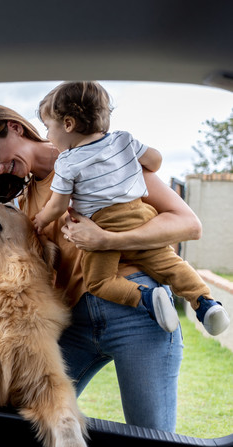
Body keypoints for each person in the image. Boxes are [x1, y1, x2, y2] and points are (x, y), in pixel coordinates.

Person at [0, 102, 200, 432]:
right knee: (21, 422)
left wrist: (106, 240)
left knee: (152, 438)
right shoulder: (25, 199)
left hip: (138, 312)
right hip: (75, 322)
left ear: (15, 127)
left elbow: (188, 224)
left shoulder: (104, 156)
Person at [33, 81, 229, 337]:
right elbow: (155, 161)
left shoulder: (67, 163)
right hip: (141, 216)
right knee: (172, 265)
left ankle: (147, 298)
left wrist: (40, 219)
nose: (48, 136)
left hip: (103, 224)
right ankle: (206, 303)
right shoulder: (122, 140)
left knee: (99, 282)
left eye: (48, 128)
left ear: (68, 124)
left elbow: (58, 205)